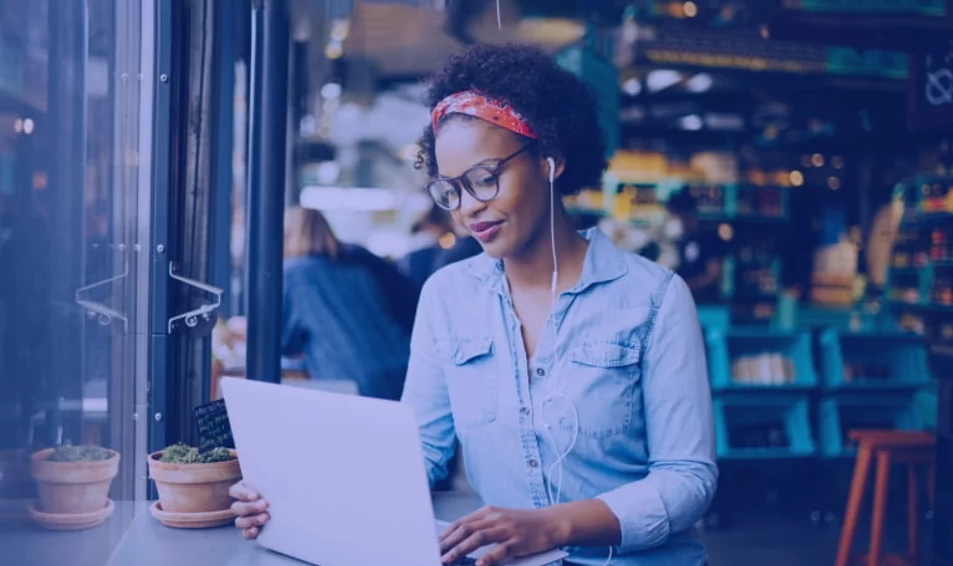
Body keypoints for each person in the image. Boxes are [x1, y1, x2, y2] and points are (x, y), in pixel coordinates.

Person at [232, 44, 717, 566]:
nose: (467, 209)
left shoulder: (654, 297)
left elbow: (687, 479)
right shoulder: (448, 296)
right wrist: (296, 499)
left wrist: (554, 526)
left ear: (550, 159)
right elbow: (416, 453)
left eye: (485, 179)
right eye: (451, 190)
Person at [280, 206, 416, 400]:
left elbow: (284, 342)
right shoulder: (358, 270)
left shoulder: (293, 274)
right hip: (401, 368)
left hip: (350, 380)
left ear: (287, 235)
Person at [666, 189, 727, 303]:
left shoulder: (710, 237)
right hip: (683, 300)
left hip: (706, 302)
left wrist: (687, 286)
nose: (672, 220)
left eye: (674, 216)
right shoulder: (681, 239)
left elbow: (713, 274)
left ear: (685, 214)